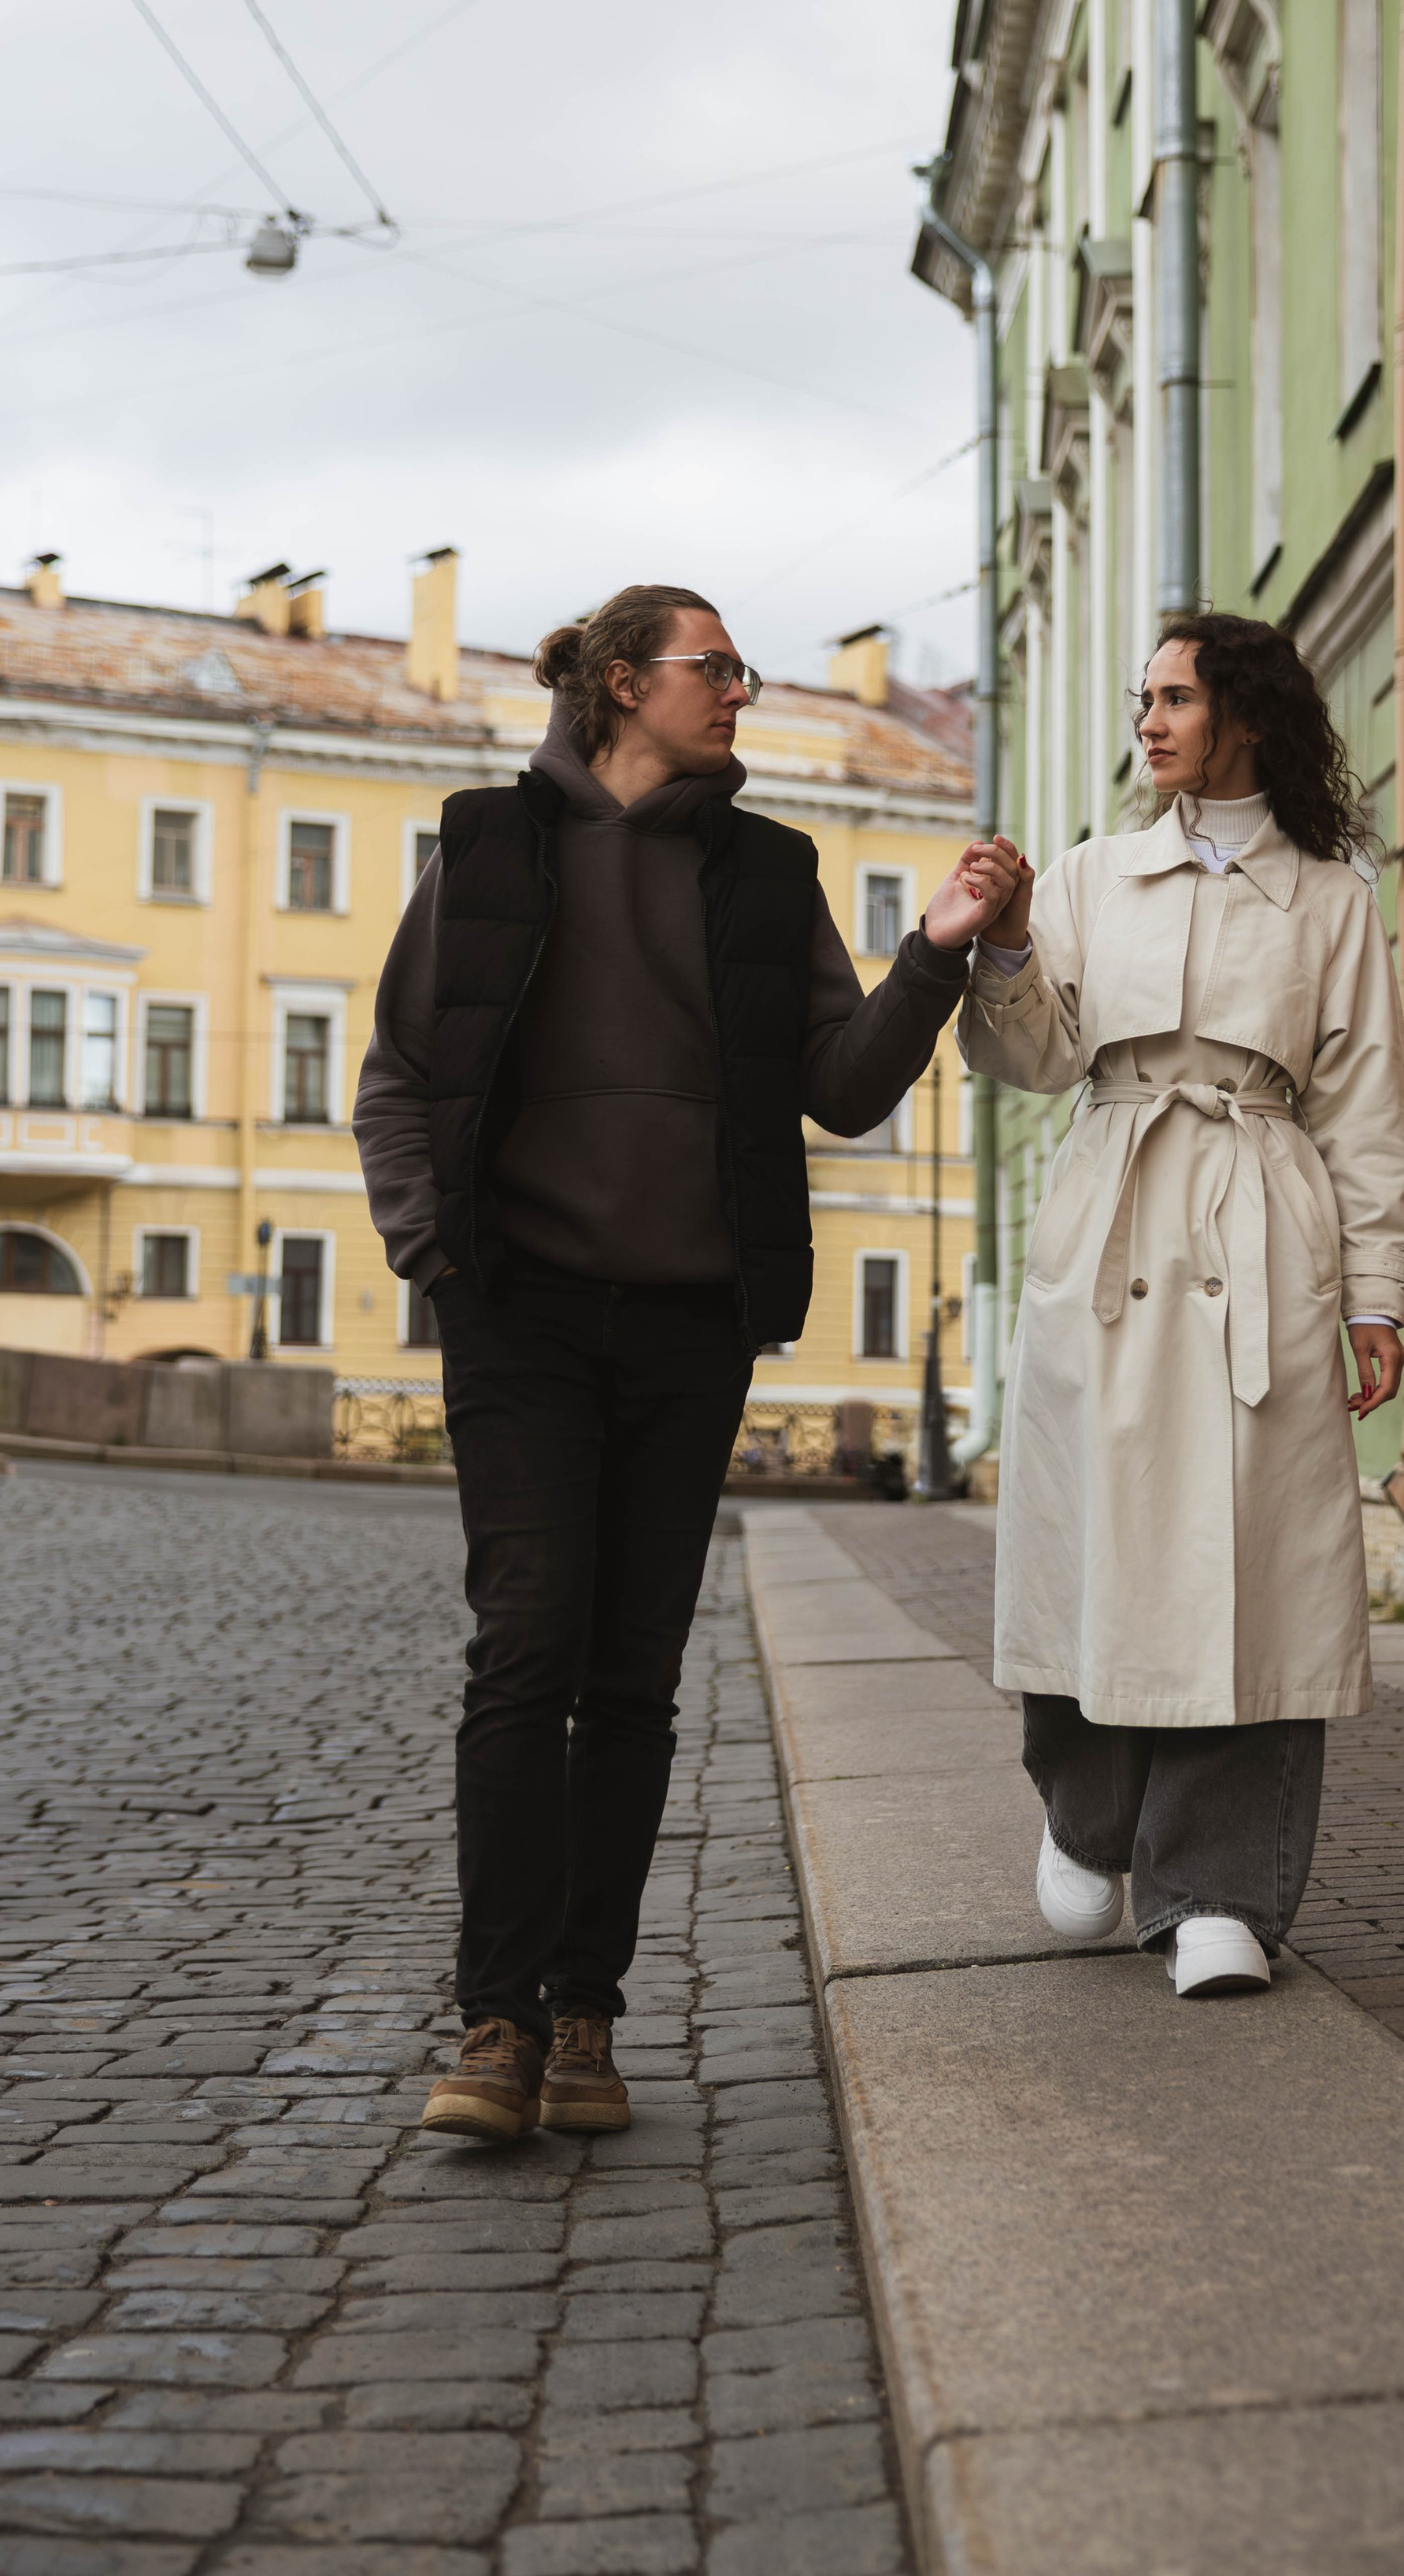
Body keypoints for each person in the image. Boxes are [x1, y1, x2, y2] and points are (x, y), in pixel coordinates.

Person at [354, 583, 1022, 2137]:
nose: (740, 690)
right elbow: (398, 1070)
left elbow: (842, 1092)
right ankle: (496, 2025)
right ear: (614, 682)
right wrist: (427, 1252)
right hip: (513, 1307)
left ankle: (585, 2025)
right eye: (710, 667)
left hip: (685, 1320)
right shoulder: (491, 843)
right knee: (524, 1650)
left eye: (740, 668)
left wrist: (927, 954)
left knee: (633, 1677)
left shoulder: (765, 870)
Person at [958, 610, 1404, 1997]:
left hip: (1264, 1229)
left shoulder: (1333, 899)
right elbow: (1028, 1057)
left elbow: (1367, 1111)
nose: (1147, 722)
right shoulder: (1097, 874)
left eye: (1174, 698)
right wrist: (1013, 940)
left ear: (1250, 717)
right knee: (1090, 1534)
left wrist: (1377, 1295)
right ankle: (1087, 1818)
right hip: (1113, 1216)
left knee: (1253, 1564)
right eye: (1140, 697)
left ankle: (1218, 1886)